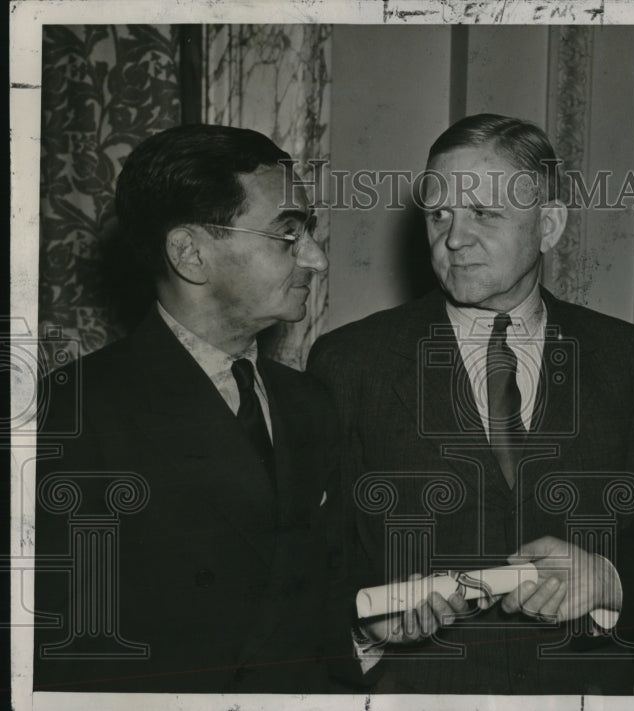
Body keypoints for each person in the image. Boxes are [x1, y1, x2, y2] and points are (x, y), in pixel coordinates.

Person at [33, 124, 448, 693]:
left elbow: (305, 608)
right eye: (287, 235)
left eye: (310, 232)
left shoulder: (308, 402)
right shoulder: (74, 410)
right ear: (190, 253)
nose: (317, 260)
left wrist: (369, 629)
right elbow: (55, 654)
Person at [307, 114, 634, 694]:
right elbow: (314, 558)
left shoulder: (633, 360)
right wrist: (369, 627)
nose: (454, 239)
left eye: (483, 213)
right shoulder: (351, 362)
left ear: (549, 224)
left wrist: (608, 580)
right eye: (439, 215)